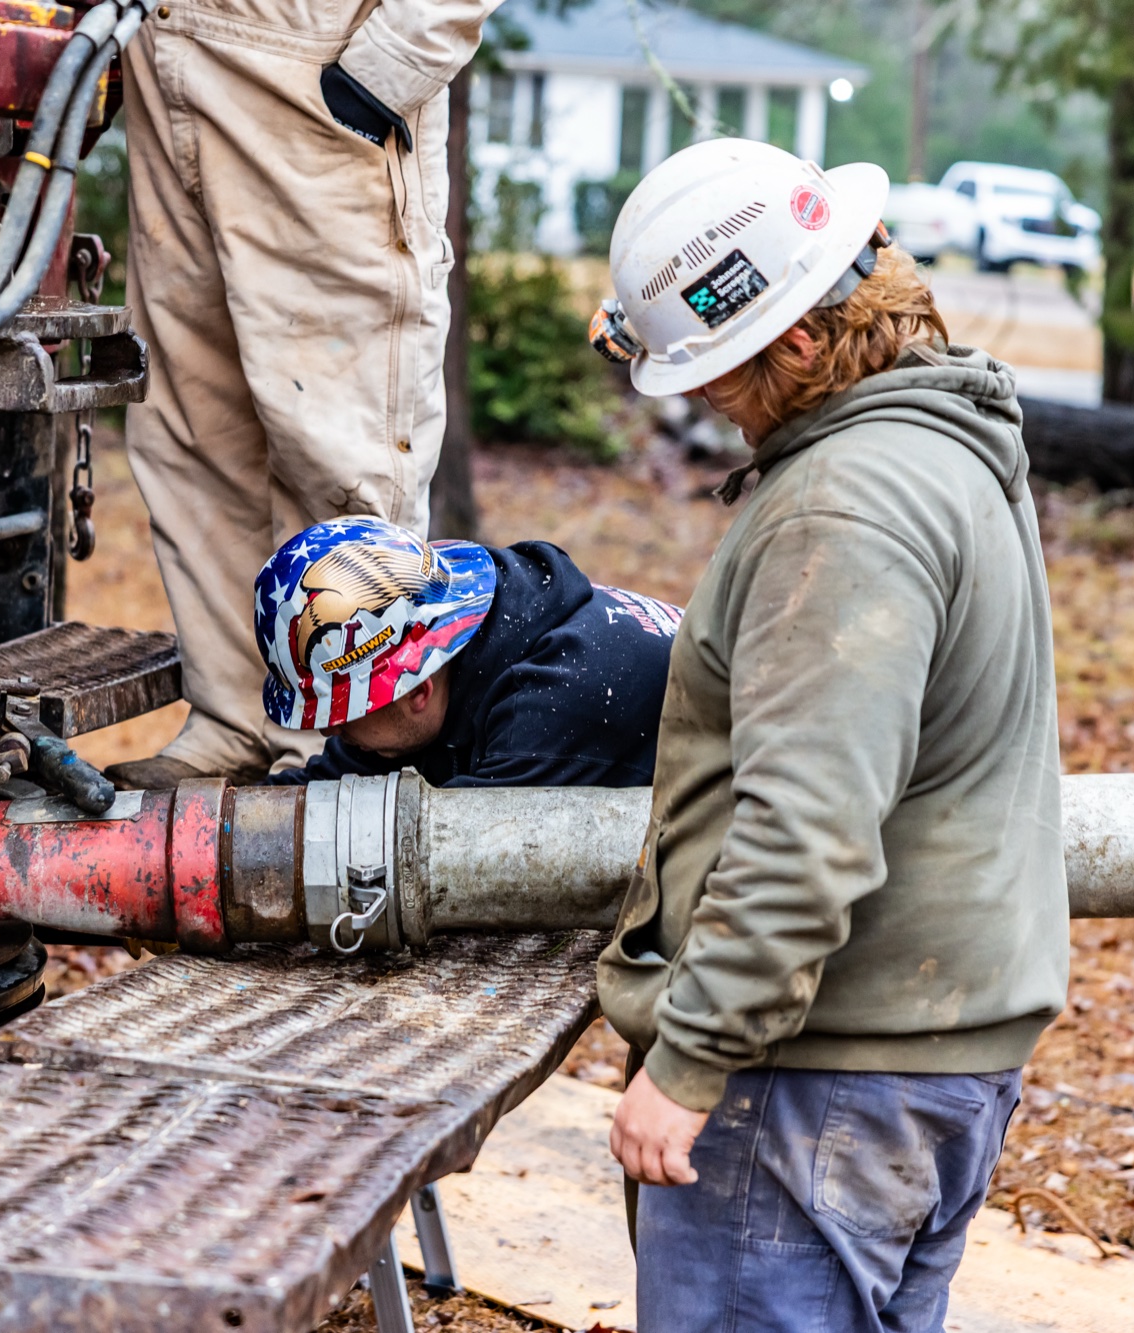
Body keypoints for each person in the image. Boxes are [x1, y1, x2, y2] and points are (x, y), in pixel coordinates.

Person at [591, 138, 1067, 1332]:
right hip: (923, 1062)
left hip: (814, 1080)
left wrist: (689, 1060)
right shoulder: (942, 447)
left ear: (798, 343)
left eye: (716, 377)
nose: (708, 405)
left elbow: (806, 826)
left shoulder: (839, 507)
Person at [102, 0, 505, 792]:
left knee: (337, 443)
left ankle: (341, 745)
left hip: (314, 71)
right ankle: (232, 716)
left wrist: (385, 69)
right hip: (168, 52)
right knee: (192, 431)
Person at [256, 516, 680, 789]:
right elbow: (323, 787)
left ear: (416, 690)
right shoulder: (461, 645)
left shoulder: (545, 712)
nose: (329, 731)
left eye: (343, 712)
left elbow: (449, 864)